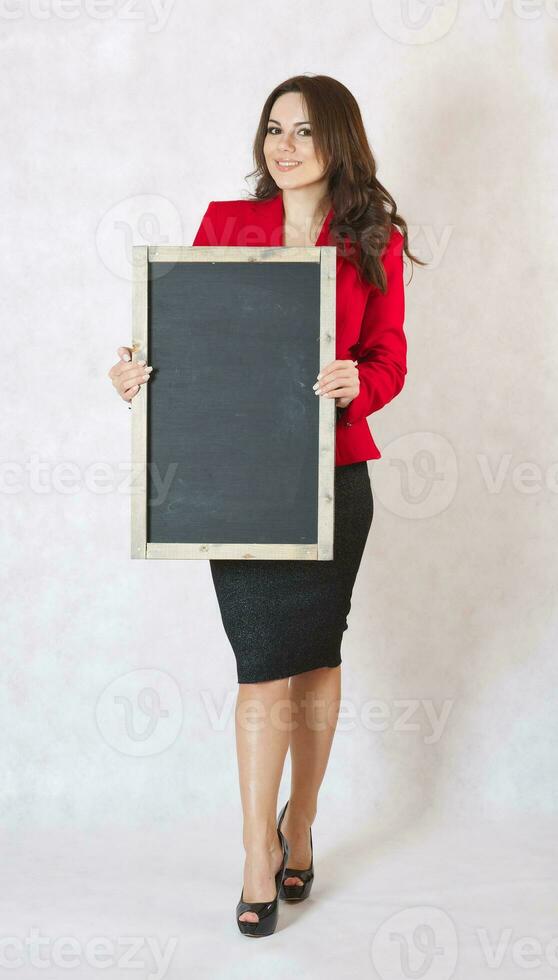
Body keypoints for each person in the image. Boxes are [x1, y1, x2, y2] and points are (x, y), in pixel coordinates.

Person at [107, 74, 423, 938]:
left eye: (303, 133)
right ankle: (256, 852)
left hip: (333, 479)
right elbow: (187, 337)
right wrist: (139, 367)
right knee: (260, 669)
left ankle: (302, 824)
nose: (283, 147)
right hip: (236, 479)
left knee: (316, 658)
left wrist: (361, 380)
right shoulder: (225, 225)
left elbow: (390, 358)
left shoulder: (373, 238)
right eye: (273, 130)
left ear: (338, 145)